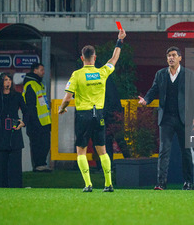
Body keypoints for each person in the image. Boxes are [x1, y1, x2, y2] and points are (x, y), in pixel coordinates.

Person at [58, 29, 126, 192]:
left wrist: (62, 109)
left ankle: (88, 184)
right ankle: (108, 184)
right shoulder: (102, 72)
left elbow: (67, 98)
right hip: (99, 115)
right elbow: (114, 59)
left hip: (83, 115)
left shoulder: (77, 75)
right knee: (102, 151)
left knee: (81, 150)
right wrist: (119, 41)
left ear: (82, 58)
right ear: (94, 58)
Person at [138, 46, 194, 190]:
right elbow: (154, 90)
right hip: (166, 118)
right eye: (168, 56)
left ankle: (188, 182)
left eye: (173, 55)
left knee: (186, 152)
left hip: (184, 118)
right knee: (163, 151)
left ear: (180, 58)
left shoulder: (189, 74)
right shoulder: (160, 74)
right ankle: (161, 183)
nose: (171, 58)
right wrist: (146, 100)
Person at [0, 73, 28, 188]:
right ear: (1, 82)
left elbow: (26, 110)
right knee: (1, 162)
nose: (7, 82)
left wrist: (23, 122)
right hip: (0, 130)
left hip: (14, 128)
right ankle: (2, 185)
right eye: (5, 80)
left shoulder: (17, 96)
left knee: (15, 161)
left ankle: (16, 185)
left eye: (9, 80)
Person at [95, 76, 131, 171]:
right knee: (118, 139)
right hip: (114, 113)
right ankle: (129, 161)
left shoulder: (99, 80)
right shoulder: (107, 78)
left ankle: (106, 166)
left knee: (106, 140)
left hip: (108, 113)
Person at [23, 63, 52, 172]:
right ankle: (38, 166)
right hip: (36, 122)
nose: (43, 72)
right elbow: (31, 106)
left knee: (45, 144)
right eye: (41, 70)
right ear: (35, 71)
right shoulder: (31, 85)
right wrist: (35, 122)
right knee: (37, 145)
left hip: (43, 122)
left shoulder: (38, 84)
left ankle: (42, 164)